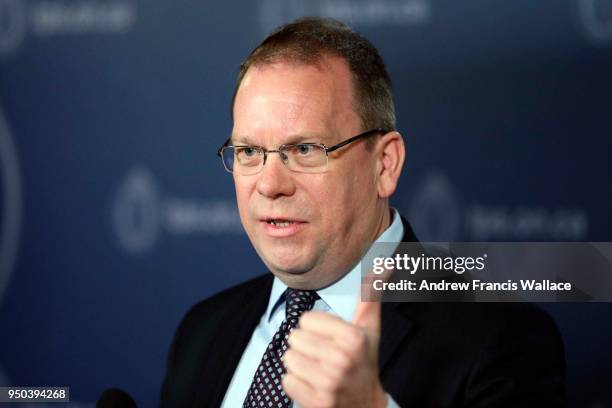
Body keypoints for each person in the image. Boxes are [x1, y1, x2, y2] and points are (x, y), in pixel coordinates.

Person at [160, 17, 566, 407]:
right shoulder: (203, 331)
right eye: (249, 152)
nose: (269, 184)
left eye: (305, 150)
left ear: (384, 164)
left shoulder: (502, 338)